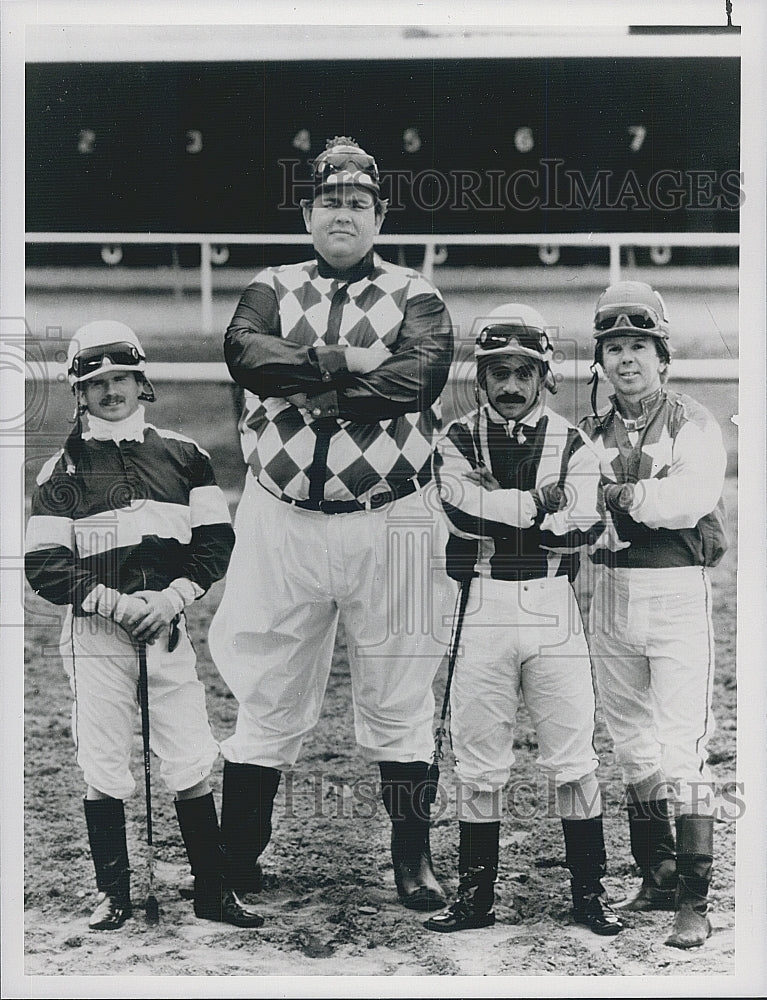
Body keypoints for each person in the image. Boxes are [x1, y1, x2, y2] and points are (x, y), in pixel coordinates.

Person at [207, 136, 455, 912]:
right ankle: (238, 853)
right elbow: (244, 352)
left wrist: (324, 392)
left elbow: (420, 374)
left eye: (356, 202)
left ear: (378, 213)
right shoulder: (269, 284)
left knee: (403, 679)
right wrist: (342, 365)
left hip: (401, 519)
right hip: (280, 518)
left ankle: (411, 861)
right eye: (328, 202)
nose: (341, 213)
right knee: (267, 677)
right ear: (308, 211)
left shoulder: (417, 292)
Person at [24, 321, 263, 930]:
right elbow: (45, 565)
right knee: (103, 761)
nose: (111, 392)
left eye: (121, 379)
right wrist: (111, 601)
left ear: (141, 381)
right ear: (79, 393)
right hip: (98, 634)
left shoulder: (186, 455)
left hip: (166, 628)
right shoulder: (61, 471)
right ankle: (114, 893)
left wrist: (172, 598)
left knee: (188, 757)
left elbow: (213, 543)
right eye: (96, 383)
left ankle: (213, 891)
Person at [424, 303, 623, 937]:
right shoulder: (454, 439)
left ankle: (588, 893)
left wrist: (506, 508)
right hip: (481, 603)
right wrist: (539, 503)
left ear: (545, 375)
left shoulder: (575, 442)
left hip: (550, 605)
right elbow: (459, 513)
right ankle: (475, 897)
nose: (511, 385)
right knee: (478, 759)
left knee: (574, 757)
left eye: (524, 372)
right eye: (498, 372)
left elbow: (583, 524)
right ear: (480, 377)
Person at [579, 280, 728, 949]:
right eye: (613, 347)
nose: (625, 358)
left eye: (637, 344)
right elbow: (570, 504)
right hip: (608, 592)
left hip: (674, 591)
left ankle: (694, 898)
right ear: (600, 361)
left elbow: (687, 499)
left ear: (661, 354)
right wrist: (600, 499)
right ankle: (657, 868)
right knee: (629, 740)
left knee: (681, 745)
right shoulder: (586, 431)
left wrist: (620, 494)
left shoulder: (692, 421)